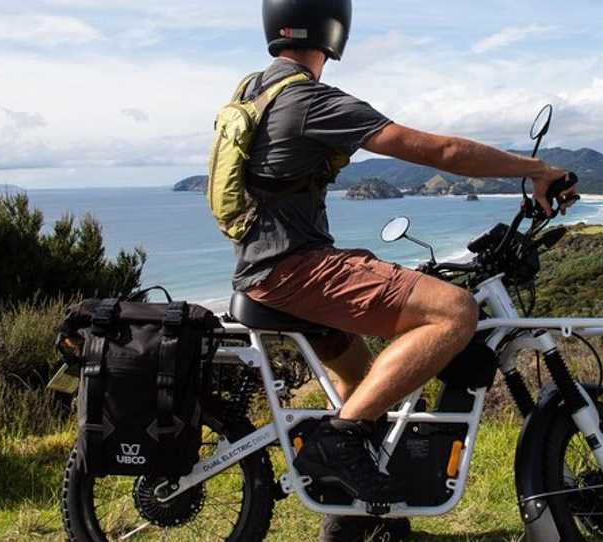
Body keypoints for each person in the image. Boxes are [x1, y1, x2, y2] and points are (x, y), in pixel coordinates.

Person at [230, 1, 578, 540]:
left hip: (268, 267)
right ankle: (339, 439)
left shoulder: (256, 90)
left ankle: (360, 518)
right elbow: (438, 150)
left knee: (364, 381)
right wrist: (538, 168)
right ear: (332, 29)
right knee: (452, 310)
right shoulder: (306, 99)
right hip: (292, 270)